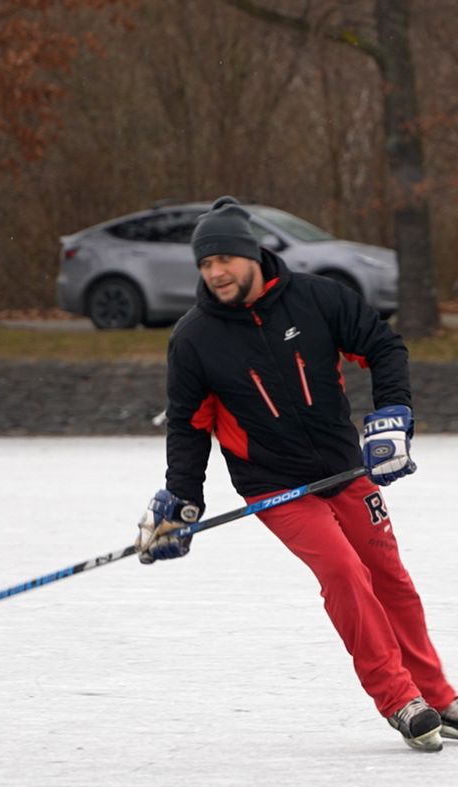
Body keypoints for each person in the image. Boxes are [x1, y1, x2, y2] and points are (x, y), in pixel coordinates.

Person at [135, 196, 456, 752]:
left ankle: (437, 695)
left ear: (252, 253)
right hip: (275, 487)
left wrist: (391, 416)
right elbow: (189, 427)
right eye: (205, 265)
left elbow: (383, 347)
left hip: (345, 470)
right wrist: (183, 501)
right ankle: (399, 700)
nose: (215, 273)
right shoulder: (194, 339)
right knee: (343, 572)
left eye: (224, 260)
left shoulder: (317, 299)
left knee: (391, 579)